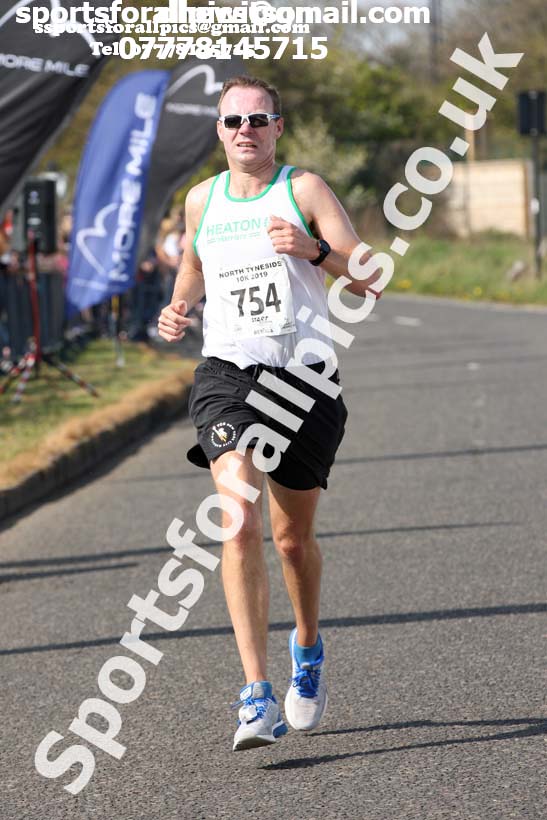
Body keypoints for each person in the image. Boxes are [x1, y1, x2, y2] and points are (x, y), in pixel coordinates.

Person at [158, 75, 378, 751]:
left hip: (303, 382)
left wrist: (314, 249)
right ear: (219, 130)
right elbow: (194, 264)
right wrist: (178, 304)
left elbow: (369, 274)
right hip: (227, 373)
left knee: (290, 540)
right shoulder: (203, 199)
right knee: (238, 518)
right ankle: (254, 695)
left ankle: (306, 647)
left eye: (258, 118)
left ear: (277, 127)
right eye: (233, 120)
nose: (245, 129)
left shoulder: (303, 190)